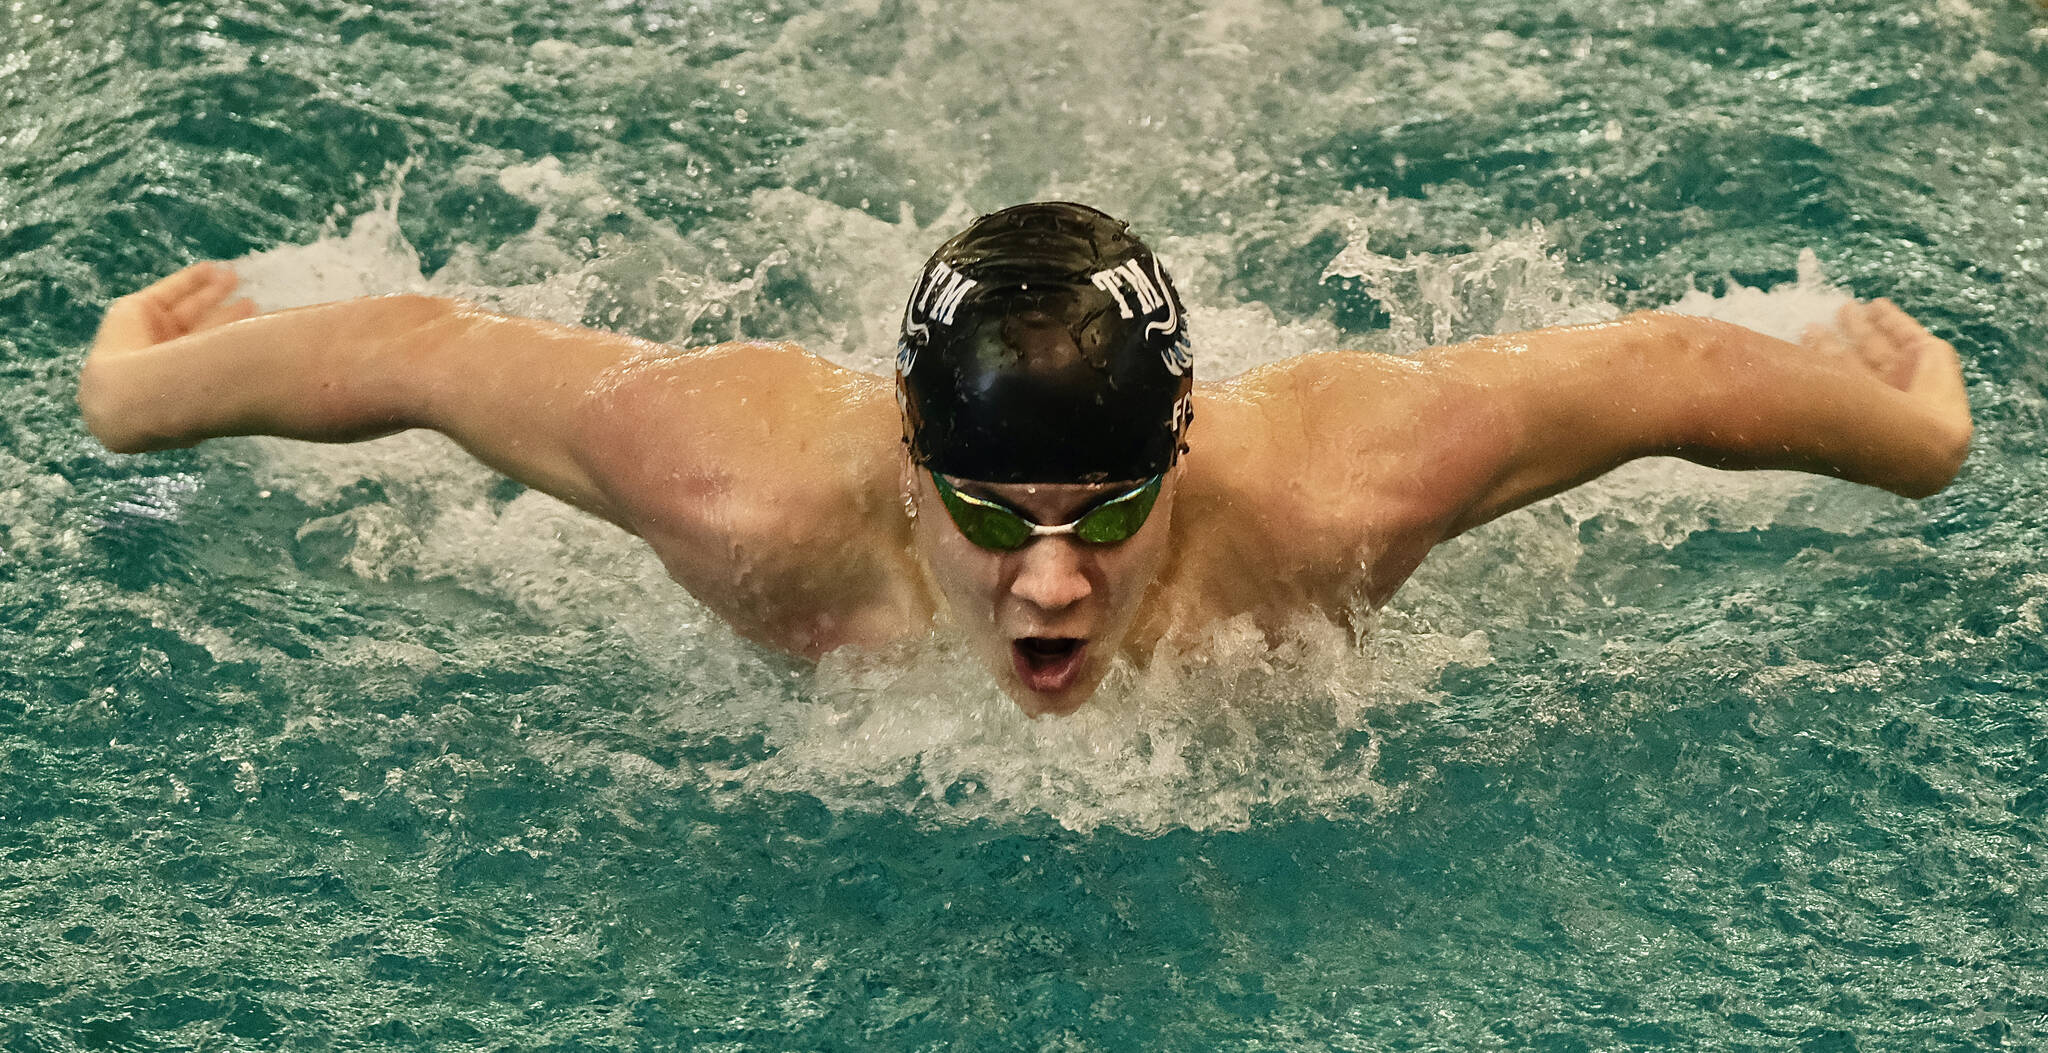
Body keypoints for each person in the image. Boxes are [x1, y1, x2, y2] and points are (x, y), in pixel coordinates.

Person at [76, 202, 1973, 718]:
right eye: (993, 515)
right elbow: (420, 354)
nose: (1051, 584)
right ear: (908, 467)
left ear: (1186, 451)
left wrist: (1926, 426)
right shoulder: (736, 491)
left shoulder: (1330, 491)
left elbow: (1646, 376)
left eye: (1105, 515)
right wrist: (124, 384)